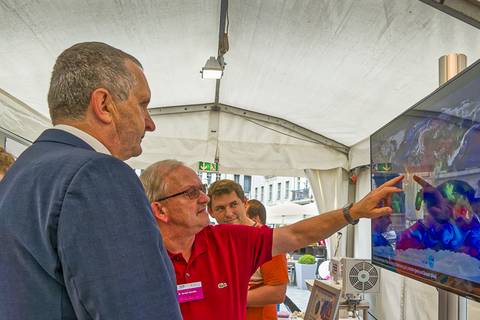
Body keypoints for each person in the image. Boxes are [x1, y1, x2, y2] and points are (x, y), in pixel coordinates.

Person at [0, 42, 181, 319]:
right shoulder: (98, 175)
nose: (149, 122)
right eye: (142, 104)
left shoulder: (21, 172)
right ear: (104, 105)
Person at [140, 159, 402, 320]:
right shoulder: (135, 257)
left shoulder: (229, 239)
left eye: (202, 190)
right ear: (160, 210)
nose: (204, 199)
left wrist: (352, 212)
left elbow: (296, 234)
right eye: (190, 193)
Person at [209, 181, 288, 320]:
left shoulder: (267, 239)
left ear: (244, 203)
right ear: (211, 212)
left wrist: (225, 297)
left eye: (233, 204)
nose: (228, 213)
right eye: (220, 208)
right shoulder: (212, 239)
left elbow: (277, 293)